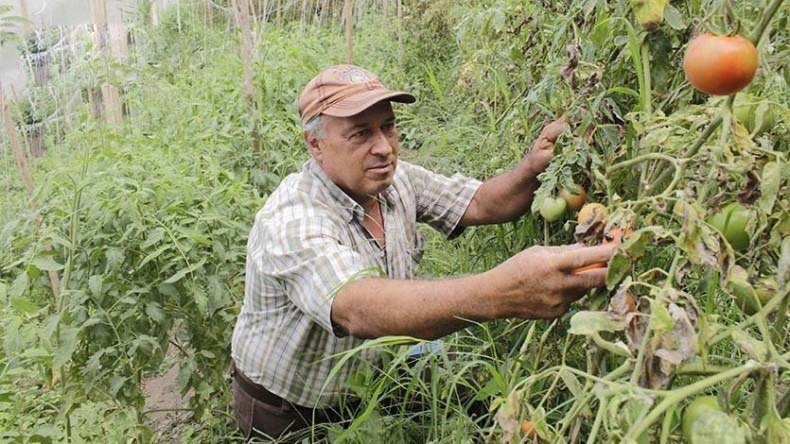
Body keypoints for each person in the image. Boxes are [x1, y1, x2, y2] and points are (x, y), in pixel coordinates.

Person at [230, 65, 614, 441]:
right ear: (315, 144)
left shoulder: (395, 183)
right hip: (288, 410)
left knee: (470, 410)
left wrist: (533, 166)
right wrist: (503, 293)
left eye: (387, 127)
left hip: (366, 379)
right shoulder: (293, 218)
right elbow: (358, 308)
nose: (383, 148)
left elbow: (480, 203)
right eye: (360, 134)